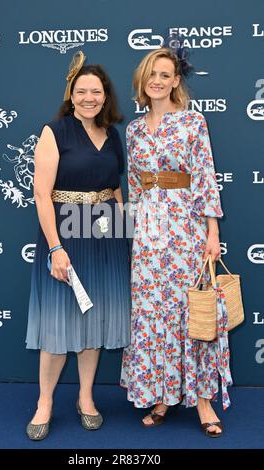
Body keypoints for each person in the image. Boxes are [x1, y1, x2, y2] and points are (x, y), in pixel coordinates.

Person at [120, 45, 232, 437]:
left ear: (176, 81)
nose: (157, 80)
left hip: (185, 228)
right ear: (142, 80)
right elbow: (134, 187)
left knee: (191, 312)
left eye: (165, 74)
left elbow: (204, 177)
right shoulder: (133, 130)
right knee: (153, 314)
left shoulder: (192, 122)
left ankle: (203, 402)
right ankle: (163, 395)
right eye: (152, 73)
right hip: (149, 234)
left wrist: (212, 233)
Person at [25, 51, 130, 440]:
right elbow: (41, 194)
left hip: (105, 237)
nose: (89, 97)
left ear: (105, 97)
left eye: (96, 91)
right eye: (82, 91)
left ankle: (86, 397)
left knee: (94, 319)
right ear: (71, 95)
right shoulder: (54, 131)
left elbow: (116, 188)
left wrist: (126, 235)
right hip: (66, 235)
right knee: (57, 324)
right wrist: (55, 248)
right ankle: (45, 402)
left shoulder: (113, 134)